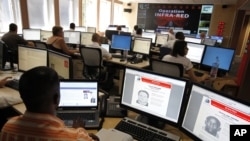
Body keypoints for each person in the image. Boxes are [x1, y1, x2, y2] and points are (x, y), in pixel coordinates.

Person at [0, 66, 99, 141]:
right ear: (56, 99)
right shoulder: (76, 137)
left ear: (21, 96)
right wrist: (79, 130)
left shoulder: (8, 127)